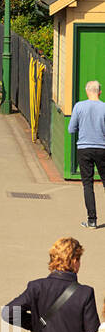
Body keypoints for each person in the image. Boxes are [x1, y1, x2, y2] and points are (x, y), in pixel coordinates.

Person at [67, 80, 105, 228]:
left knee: (87, 184)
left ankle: (92, 220)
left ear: (87, 92)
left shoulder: (79, 106)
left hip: (84, 148)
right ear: (99, 92)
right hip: (102, 148)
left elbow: (71, 128)